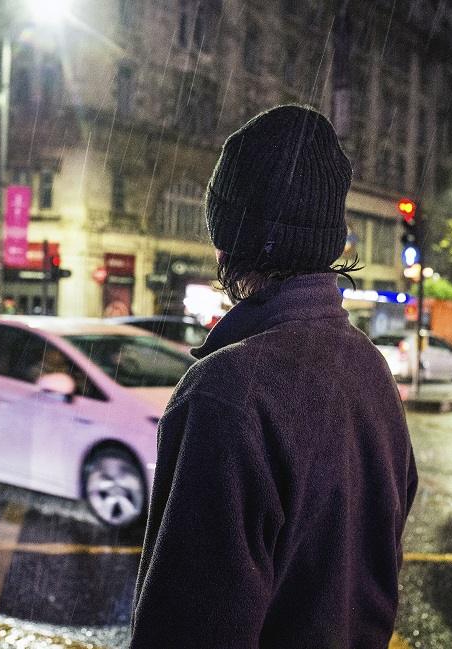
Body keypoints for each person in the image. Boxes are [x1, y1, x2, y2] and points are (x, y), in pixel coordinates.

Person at [130, 105, 418, 648]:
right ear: (332, 243)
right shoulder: (370, 370)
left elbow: (189, 628)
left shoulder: (228, 391)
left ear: (225, 243)